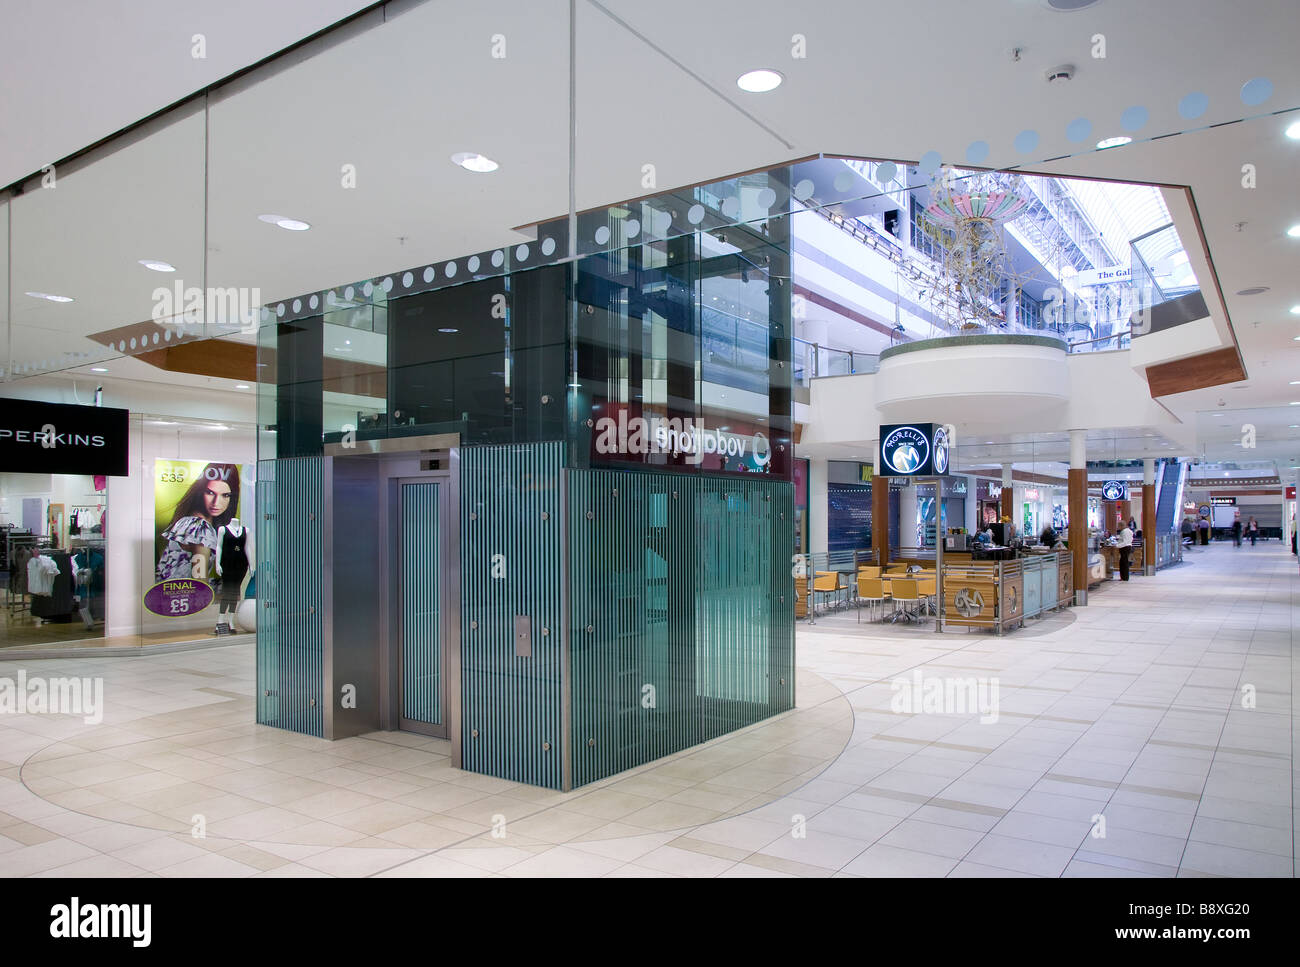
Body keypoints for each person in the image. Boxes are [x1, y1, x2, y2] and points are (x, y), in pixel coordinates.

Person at [156, 463, 241, 582]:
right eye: (210, 493)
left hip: (174, 592)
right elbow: (200, 581)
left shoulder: (189, 520)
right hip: (180, 595)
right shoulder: (200, 528)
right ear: (201, 492)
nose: (216, 502)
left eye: (225, 495)